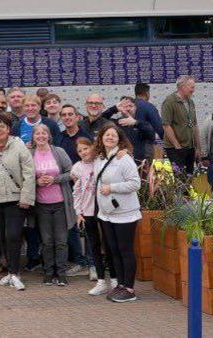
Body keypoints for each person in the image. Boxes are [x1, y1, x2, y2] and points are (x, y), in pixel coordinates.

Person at [0, 112, 34, 291]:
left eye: (3, 126)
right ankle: (10, 272)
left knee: (13, 236)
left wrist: (26, 197)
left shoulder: (18, 146)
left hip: (16, 199)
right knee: (2, 237)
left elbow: (29, 172)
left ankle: (15, 273)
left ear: (9, 129)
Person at [95, 122, 142, 302]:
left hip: (125, 213)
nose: (109, 137)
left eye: (113, 135)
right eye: (106, 135)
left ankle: (129, 289)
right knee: (113, 250)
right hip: (107, 213)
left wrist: (112, 187)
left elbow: (135, 183)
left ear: (119, 140)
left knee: (125, 250)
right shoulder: (101, 158)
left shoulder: (124, 159)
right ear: (101, 138)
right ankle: (120, 284)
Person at [70, 134, 116, 297]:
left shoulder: (101, 162)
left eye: (85, 148)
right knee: (94, 245)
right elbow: (76, 192)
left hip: (104, 209)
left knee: (109, 244)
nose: (83, 152)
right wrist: (78, 212)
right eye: (79, 150)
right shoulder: (77, 168)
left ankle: (115, 280)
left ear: (92, 147)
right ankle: (101, 281)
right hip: (87, 211)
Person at [30, 123, 75, 286]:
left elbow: (71, 173)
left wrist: (55, 179)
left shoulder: (58, 152)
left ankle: (61, 273)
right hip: (42, 204)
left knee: (61, 240)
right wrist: (37, 181)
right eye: (37, 133)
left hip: (60, 203)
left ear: (49, 136)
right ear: (33, 137)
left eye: (44, 133)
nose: (41, 136)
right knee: (47, 241)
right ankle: (49, 272)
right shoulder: (30, 153)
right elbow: (26, 177)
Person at [160, 76, 200, 173]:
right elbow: (166, 125)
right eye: (191, 87)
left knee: (189, 177)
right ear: (182, 86)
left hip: (190, 148)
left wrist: (198, 147)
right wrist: (177, 146)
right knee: (179, 179)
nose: (193, 90)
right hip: (175, 149)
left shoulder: (191, 102)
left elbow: (194, 125)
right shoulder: (169, 101)